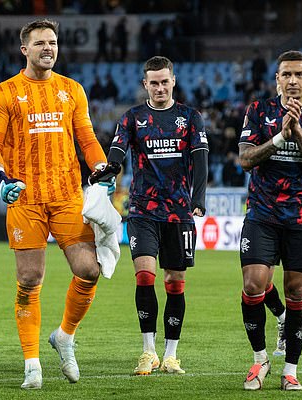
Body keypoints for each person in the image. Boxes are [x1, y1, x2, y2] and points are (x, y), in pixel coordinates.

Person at [0, 19, 111, 390]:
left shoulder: (72, 90)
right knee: (29, 279)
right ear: (25, 49)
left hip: (68, 194)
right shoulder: (5, 92)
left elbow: (86, 138)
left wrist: (101, 167)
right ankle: (32, 363)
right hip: (25, 199)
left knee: (89, 270)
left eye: (52, 42)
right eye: (40, 43)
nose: (48, 48)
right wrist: (1, 178)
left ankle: (65, 336)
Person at [238, 50, 302, 391]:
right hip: (262, 212)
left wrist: (297, 130)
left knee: (296, 290)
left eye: (298, 74)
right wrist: (280, 136)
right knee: (253, 284)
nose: (292, 80)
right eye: (286, 74)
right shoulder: (258, 111)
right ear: (277, 79)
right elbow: (246, 159)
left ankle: (291, 370)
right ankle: (260, 360)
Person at [104, 56, 208, 375]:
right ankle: (148, 351)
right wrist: (111, 166)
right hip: (142, 209)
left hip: (179, 211)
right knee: (145, 276)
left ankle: (171, 354)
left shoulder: (190, 118)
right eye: (154, 82)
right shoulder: (133, 117)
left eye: (165, 81)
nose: (160, 87)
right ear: (145, 84)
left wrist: (198, 199)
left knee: (175, 282)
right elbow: (119, 148)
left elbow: (201, 160)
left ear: (173, 81)